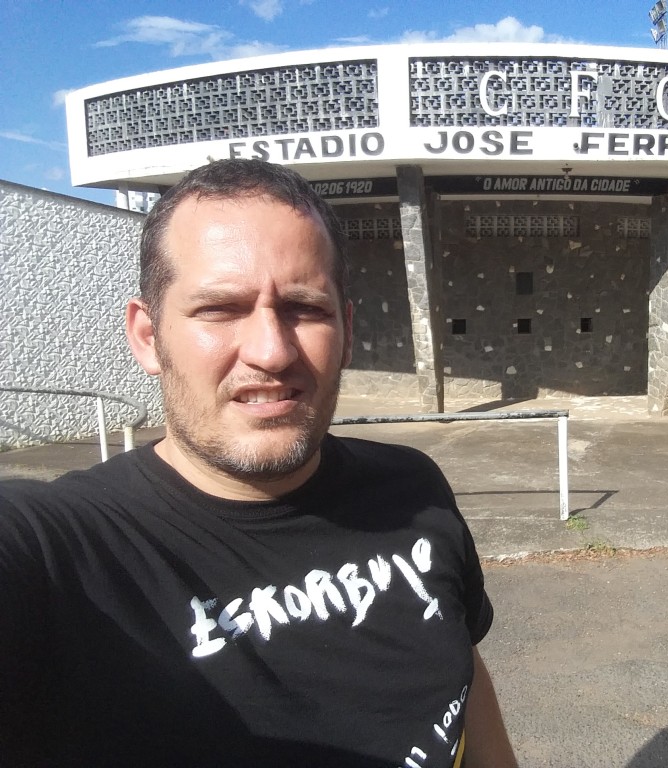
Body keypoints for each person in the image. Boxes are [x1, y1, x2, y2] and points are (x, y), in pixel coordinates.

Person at [0, 159, 518, 768]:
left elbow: (460, 673)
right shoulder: (59, 551)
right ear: (148, 337)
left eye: (304, 307)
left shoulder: (413, 487)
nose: (271, 351)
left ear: (346, 331)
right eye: (220, 308)